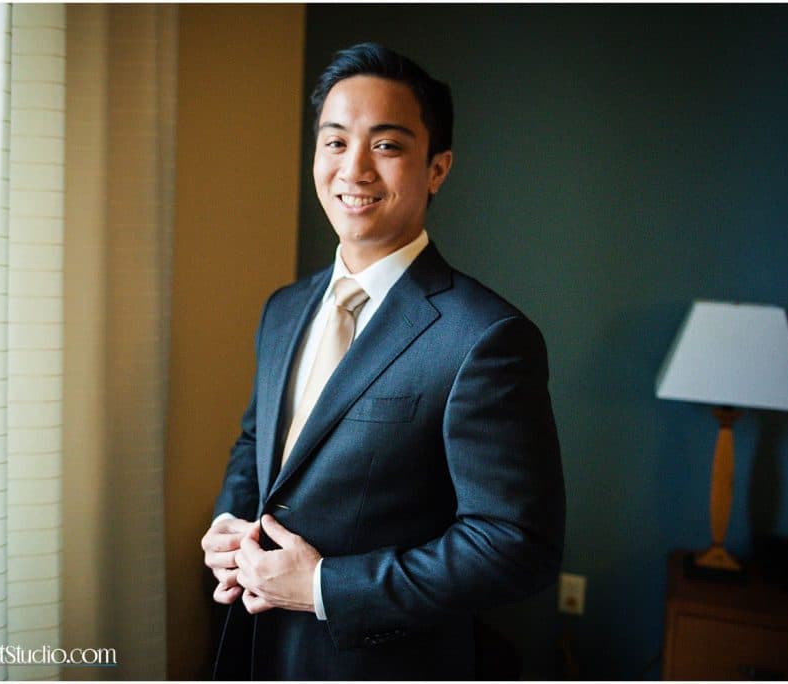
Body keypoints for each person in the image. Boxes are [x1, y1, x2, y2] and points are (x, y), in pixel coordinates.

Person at [201, 42, 565, 680]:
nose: (355, 170)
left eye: (387, 146)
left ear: (438, 168)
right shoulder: (283, 309)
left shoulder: (487, 337)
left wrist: (323, 586)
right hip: (252, 649)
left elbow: (515, 547)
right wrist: (229, 527)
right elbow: (257, 445)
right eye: (335, 142)